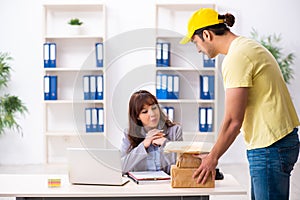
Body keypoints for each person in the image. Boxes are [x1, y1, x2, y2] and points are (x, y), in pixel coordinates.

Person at [180, 8, 299, 200]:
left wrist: (212, 157)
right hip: (277, 142)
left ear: (207, 35)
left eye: (196, 43)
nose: (198, 50)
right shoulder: (246, 47)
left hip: (270, 146)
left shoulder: (236, 58)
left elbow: (234, 120)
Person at [121, 90, 183, 175]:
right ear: (137, 116)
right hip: (139, 187)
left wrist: (165, 144)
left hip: (167, 186)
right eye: (145, 112)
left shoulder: (175, 131)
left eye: (154, 108)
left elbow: (181, 165)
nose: (152, 114)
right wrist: (143, 145)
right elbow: (121, 168)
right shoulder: (129, 134)